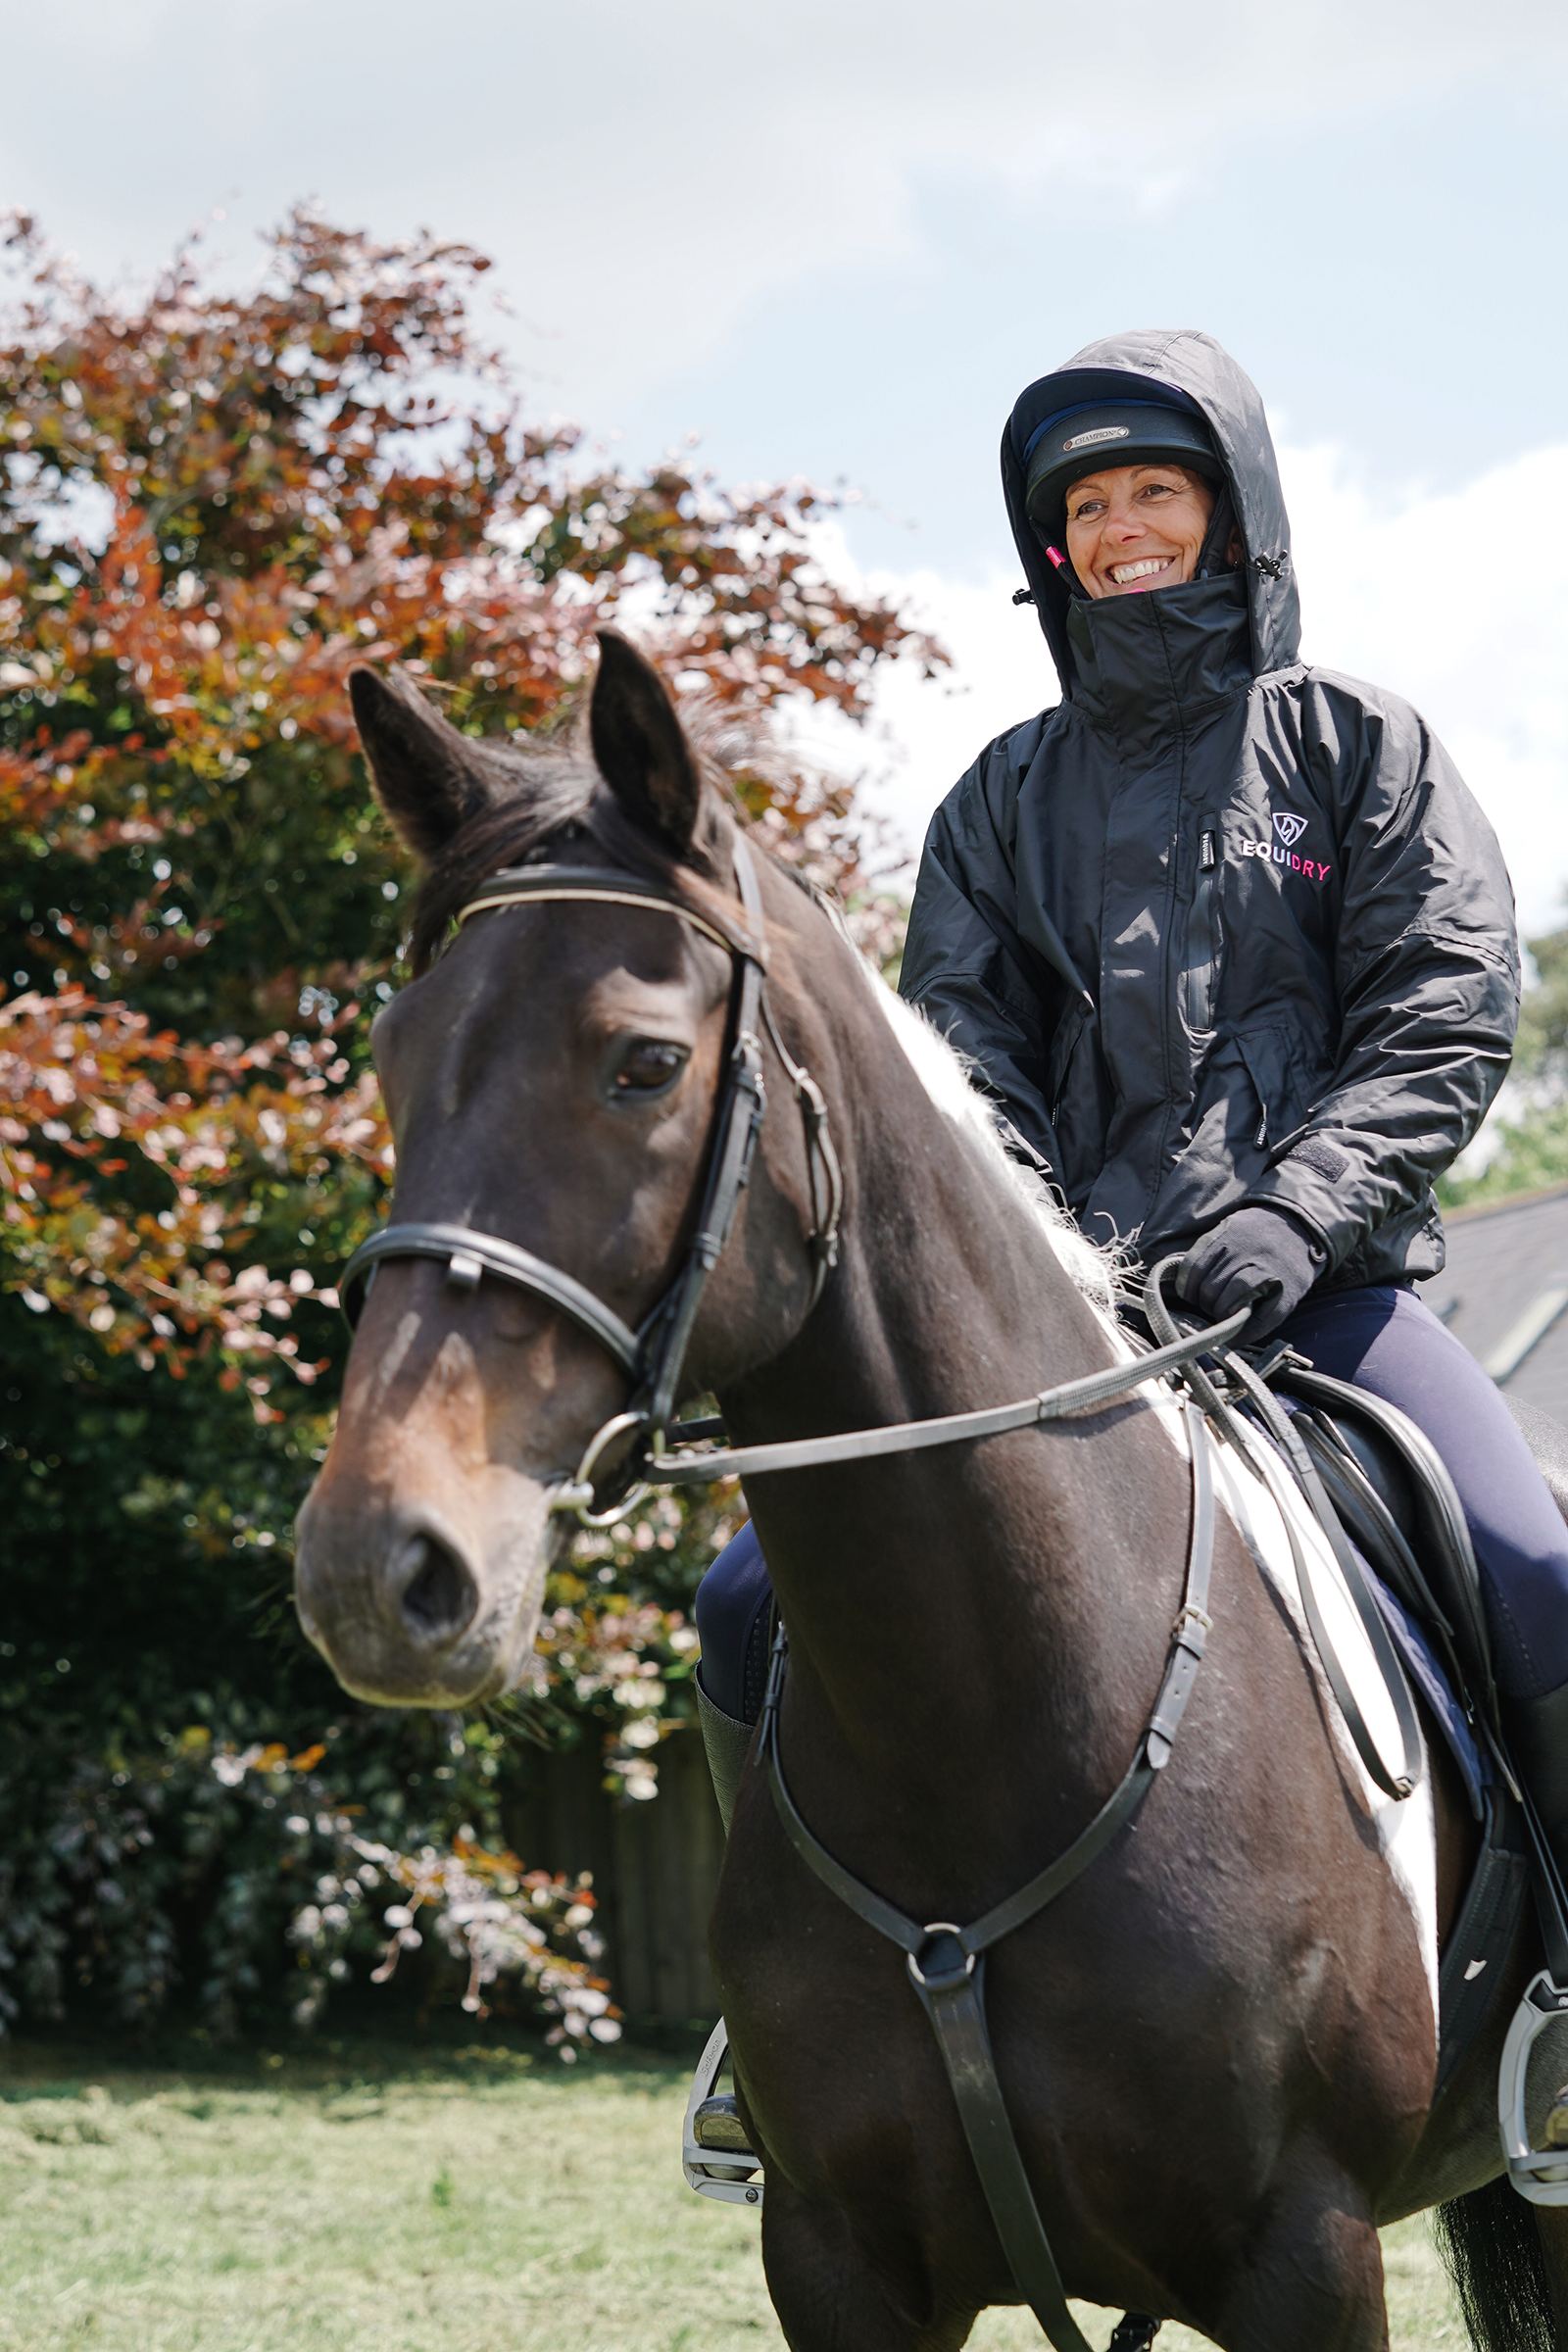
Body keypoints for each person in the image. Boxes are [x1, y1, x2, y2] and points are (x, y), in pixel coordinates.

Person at [694, 327, 1568, 1886]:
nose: (1120, 532)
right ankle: (770, 2033)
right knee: (745, 1601)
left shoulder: (1361, 750)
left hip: (1329, 1302)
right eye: (1086, 510)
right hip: (1072, 1335)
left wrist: (1297, 1213)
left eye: (1154, 491)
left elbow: (1444, 1009)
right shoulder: (997, 802)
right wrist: (1061, 1270)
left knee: (1538, 1568)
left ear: (1234, 516)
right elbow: (960, 1084)